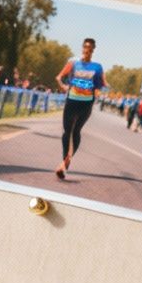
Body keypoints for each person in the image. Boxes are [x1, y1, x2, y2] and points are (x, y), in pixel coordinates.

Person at [52, 38, 104, 179]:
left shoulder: (97, 67)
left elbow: (99, 86)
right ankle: (65, 161)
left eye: (90, 48)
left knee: (76, 131)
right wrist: (62, 86)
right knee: (66, 132)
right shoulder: (73, 63)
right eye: (85, 47)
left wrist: (95, 95)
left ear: (93, 50)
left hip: (86, 103)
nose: (87, 49)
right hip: (72, 101)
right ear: (82, 48)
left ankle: (65, 163)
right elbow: (59, 77)